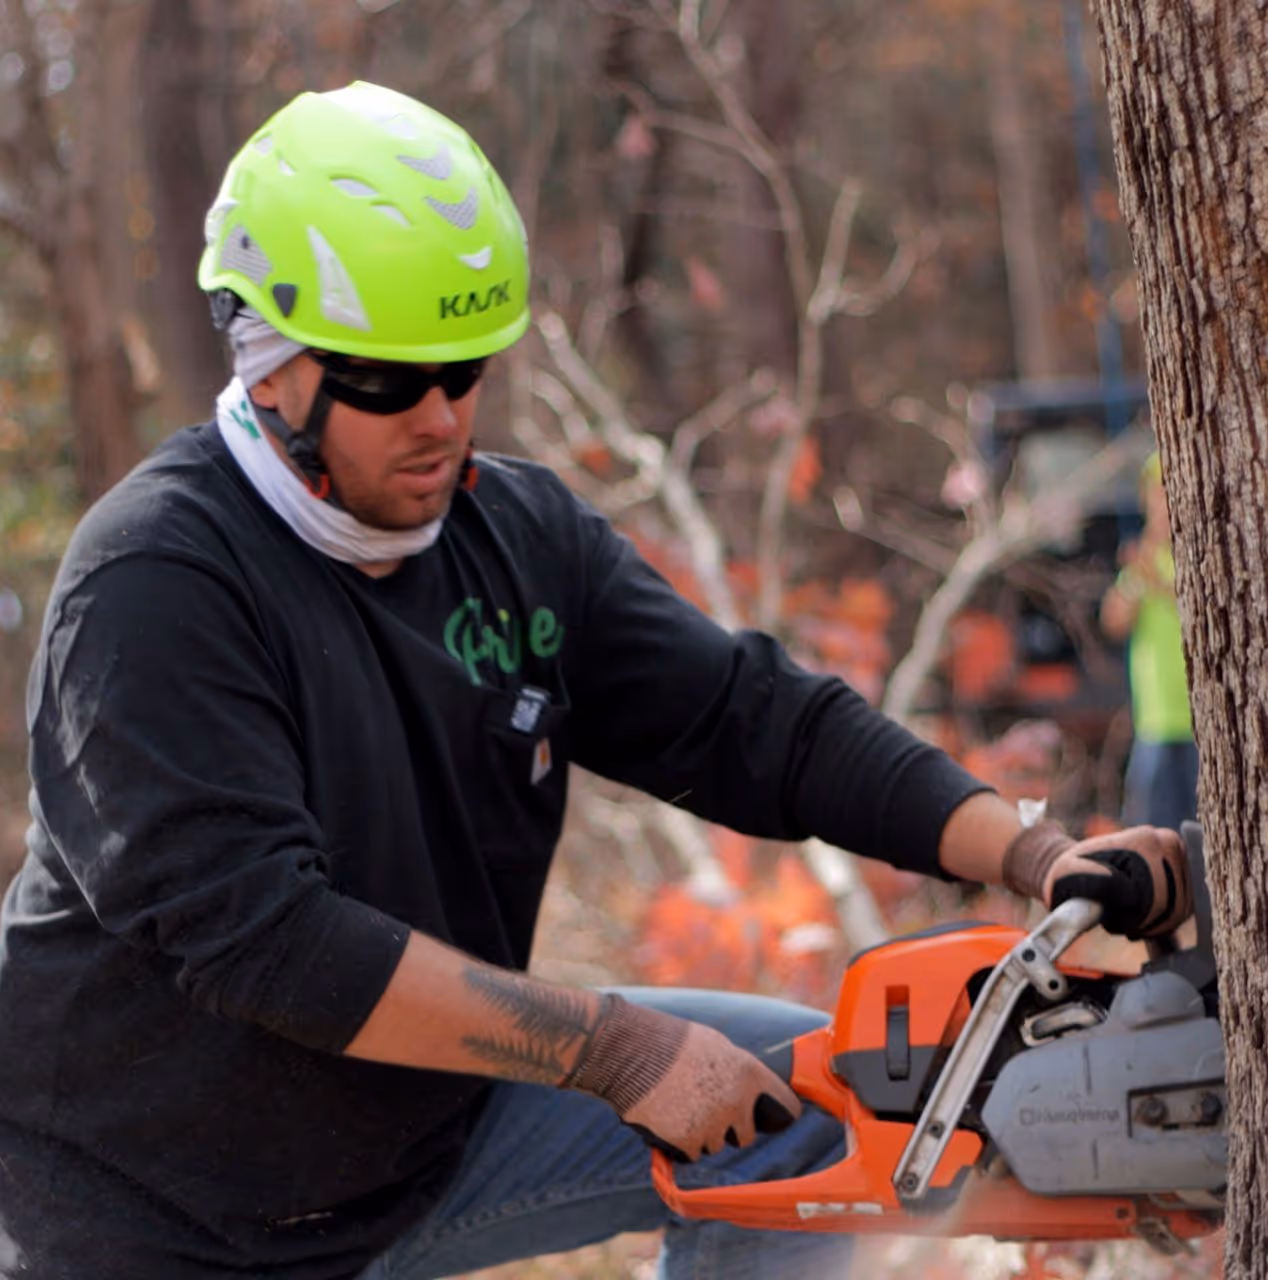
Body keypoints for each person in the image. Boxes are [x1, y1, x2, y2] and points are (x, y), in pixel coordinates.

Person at [0, 83, 1191, 1280]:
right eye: (384, 380)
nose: (438, 416)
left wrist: (1029, 851)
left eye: (463, 370)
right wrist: (610, 1048)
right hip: (154, 1216)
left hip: (425, 1136)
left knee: (805, 1122)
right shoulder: (155, 578)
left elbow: (747, 719)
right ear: (267, 365)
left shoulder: (515, 537)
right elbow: (267, 942)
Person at [1101, 453, 1199, 830]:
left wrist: (1155, 582)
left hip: (1195, 722)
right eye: (1153, 494)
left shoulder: (1195, 554)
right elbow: (1114, 621)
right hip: (1155, 723)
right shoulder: (1143, 559)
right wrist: (1138, 576)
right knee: (1152, 830)